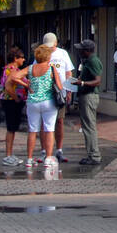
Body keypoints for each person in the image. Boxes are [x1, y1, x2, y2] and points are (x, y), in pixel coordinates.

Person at [24, 44, 64, 168]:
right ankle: (48, 158)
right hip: (48, 102)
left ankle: (29, 159)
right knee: (49, 129)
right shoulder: (51, 68)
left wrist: (25, 84)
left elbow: (13, 76)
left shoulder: (30, 68)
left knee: (32, 130)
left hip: (32, 102)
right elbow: (60, 86)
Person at [41, 32, 74, 163]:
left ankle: (59, 149)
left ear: (56, 43)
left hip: (59, 92)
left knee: (59, 121)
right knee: (45, 123)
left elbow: (68, 72)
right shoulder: (41, 53)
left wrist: (69, 90)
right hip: (45, 92)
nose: (50, 48)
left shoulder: (62, 53)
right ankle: (44, 150)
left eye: (52, 45)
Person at [75, 39, 103, 165]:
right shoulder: (88, 61)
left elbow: (97, 81)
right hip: (85, 95)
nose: (79, 51)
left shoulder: (93, 61)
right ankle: (92, 154)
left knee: (89, 126)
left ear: (87, 51)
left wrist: (81, 83)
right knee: (88, 126)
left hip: (89, 96)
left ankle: (94, 155)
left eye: (81, 49)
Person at [0, 46, 28, 166]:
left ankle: (10, 154)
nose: (24, 60)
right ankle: (8, 155)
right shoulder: (12, 70)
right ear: (16, 58)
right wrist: (16, 98)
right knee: (11, 128)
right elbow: (8, 86)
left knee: (13, 128)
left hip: (12, 101)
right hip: (11, 101)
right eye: (22, 57)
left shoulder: (13, 69)